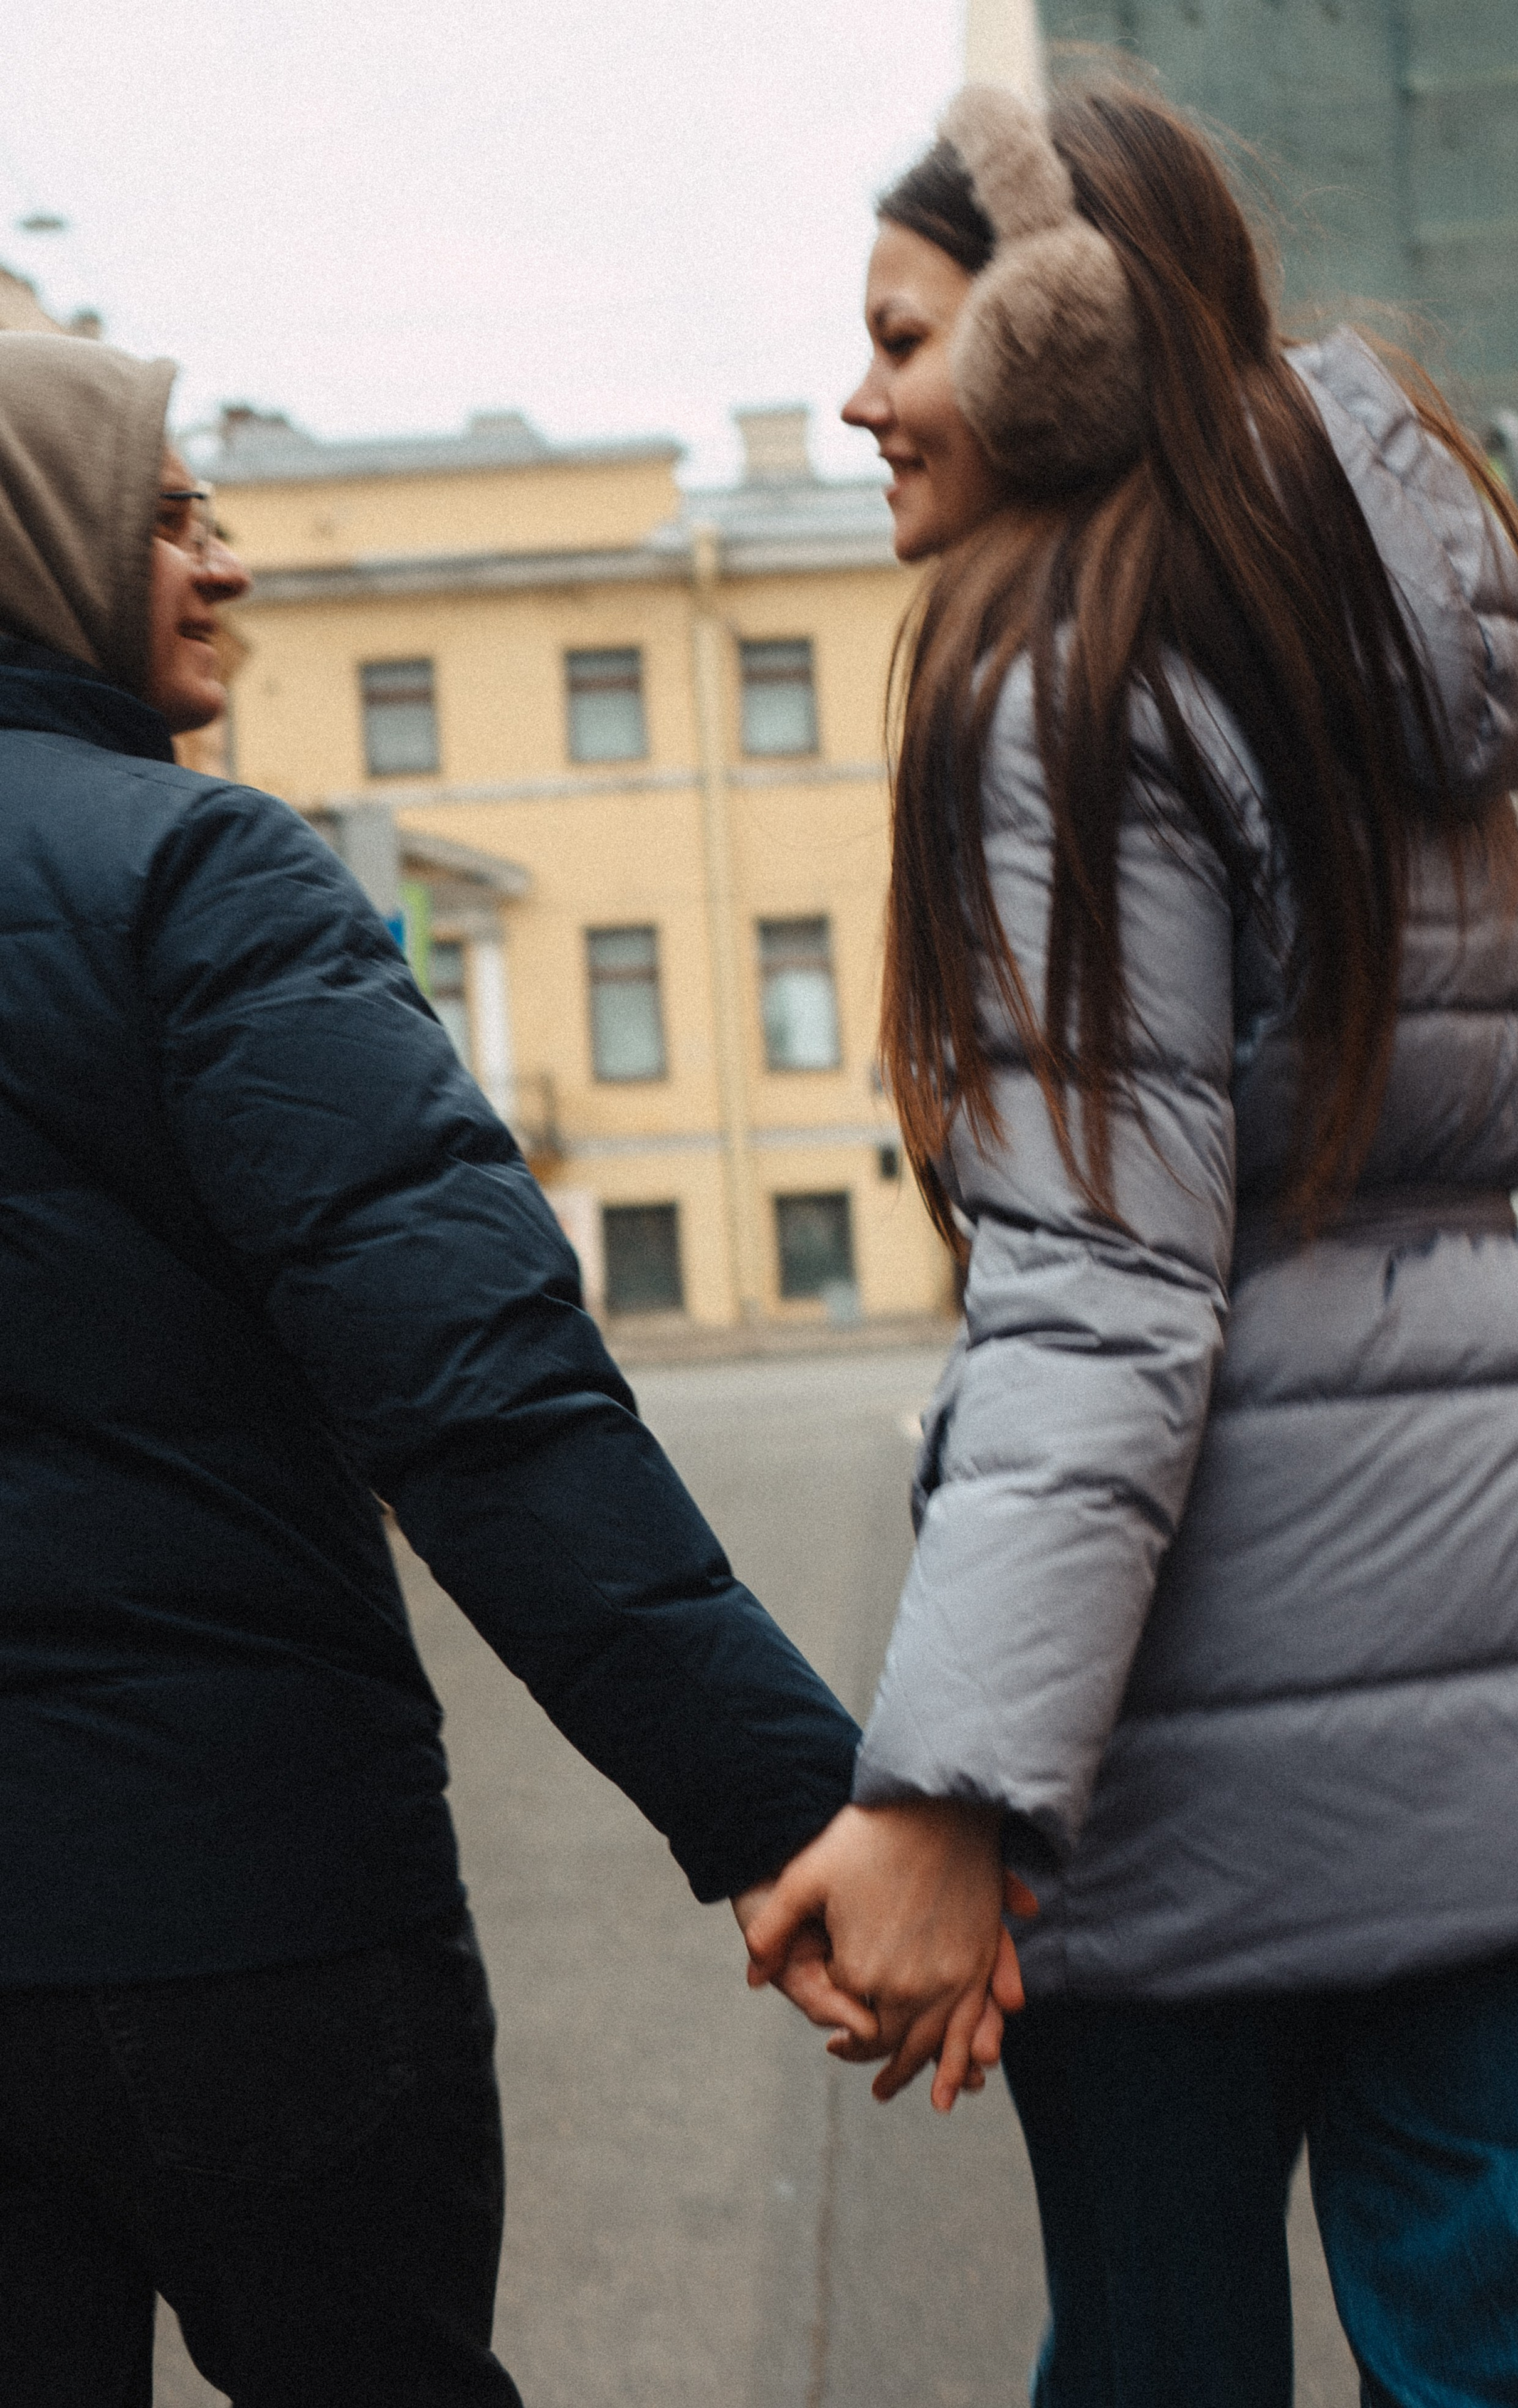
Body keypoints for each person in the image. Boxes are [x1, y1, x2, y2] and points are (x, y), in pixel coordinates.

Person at [0, 330, 1008, 2407]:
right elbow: (478, 1390)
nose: (228, 564)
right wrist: (779, 1805)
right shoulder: (196, 876)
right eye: (167, 517)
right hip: (245, 1911)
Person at [744, 72, 1518, 2408]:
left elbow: (1108, 1281)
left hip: (1198, 1728)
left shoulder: (1058, 679)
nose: (861, 396)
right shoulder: (1395, 671)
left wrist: (951, 1787)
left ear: (1053, 350)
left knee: (1156, 2356)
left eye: (905, 339)